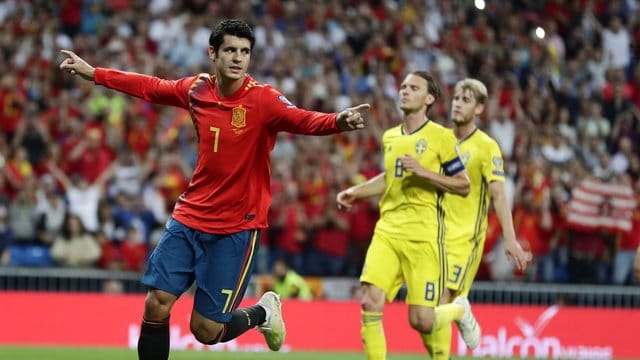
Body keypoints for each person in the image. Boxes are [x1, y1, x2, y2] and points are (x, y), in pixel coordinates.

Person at [59, 19, 370, 360]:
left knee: (206, 331)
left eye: (245, 52)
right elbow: (150, 86)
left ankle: (263, 312)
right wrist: (96, 73)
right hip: (190, 216)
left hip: (236, 227)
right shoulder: (197, 90)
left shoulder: (263, 100)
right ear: (213, 54)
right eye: (231, 50)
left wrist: (338, 121)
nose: (238, 58)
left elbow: (304, 120)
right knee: (156, 303)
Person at [336, 71, 474, 360]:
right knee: (369, 302)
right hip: (387, 231)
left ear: (429, 98)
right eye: (403, 86)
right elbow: (391, 177)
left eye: (414, 88)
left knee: (421, 321)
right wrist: (356, 191)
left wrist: (424, 172)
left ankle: (460, 309)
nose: (405, 91)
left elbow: (463, 184)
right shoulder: (391, 137)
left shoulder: (441, 137)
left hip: (423, 237)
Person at [423, 78, 531, 359]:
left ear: (480, 108)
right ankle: (460, 309)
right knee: (428, 313)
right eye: (456, 97)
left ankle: (460, 308)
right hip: (435, 235)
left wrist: (510, 239)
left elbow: (499, 194)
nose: (458, 103)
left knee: (439, 303)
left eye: (466, 99)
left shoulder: (486, 146)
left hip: (465, 238)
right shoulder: (439, 139)